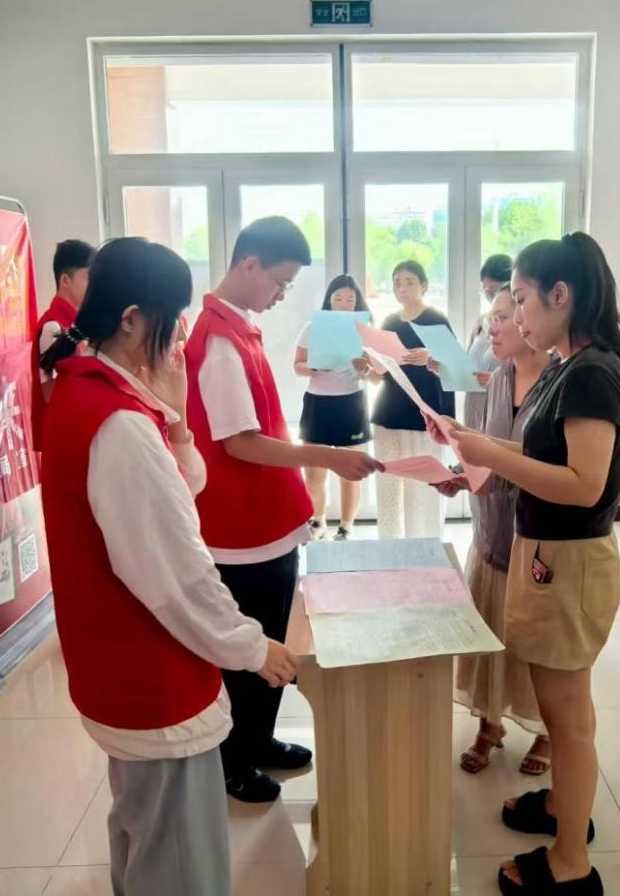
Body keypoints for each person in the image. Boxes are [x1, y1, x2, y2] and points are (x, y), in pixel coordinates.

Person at [39, 237, 298, 896]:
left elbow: (181, 488)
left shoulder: (87, 390)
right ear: (132, 318)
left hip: (115, 664)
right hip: (152, 676)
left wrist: (176, 417)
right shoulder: (117, 423)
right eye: (172, 319)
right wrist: (250, 645)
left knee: (143, 829)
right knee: (180, 857)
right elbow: (176, 572)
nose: (180, 335)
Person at [428, 231, 620, 894]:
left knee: (567, 719)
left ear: (560, 294)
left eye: (520, 299)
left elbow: (583, 484)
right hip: (550, 555)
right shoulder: (565, 365)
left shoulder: (592, 372)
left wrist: (488, 453)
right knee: (563, 711)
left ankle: (571, 860)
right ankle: (560, 805)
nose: (514, 314)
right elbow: (536, 454)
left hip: (570, 564)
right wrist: (473, 442)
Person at [185, 216, 381, 803]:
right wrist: (327, 455)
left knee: (273, 638)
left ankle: (260, 739)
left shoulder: (238, 326)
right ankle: (234, 762)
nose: (281, 295)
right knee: (249, 650)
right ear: (249, 264)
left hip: (265, 520)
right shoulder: (219, 341)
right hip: (240, 528)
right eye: (279, 282)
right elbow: (241, 443)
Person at [439, 283, 551, 777]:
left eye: (504, 316)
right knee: (489, 632)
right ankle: (490, 723)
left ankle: (547, 729)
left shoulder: (560, 382)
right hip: (491, 531)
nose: (492, 328)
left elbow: (552, 466)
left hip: (537, 539)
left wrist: (487, 462)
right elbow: (488, 451)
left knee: (537, 645)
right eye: (491, 319)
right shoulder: (500, 377)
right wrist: (460, 476)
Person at [369, 259, 455, 539]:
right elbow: (379, 373)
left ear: (424, 286)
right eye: (397, 283)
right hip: (389, 411)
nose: (402, 288)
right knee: (388, 481)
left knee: (423, 486)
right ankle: (390, 546)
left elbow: (456, 367)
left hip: (424, 414)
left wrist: (430, 356)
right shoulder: (389, 322)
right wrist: (367, 368)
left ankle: (425, 546)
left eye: (409, 282)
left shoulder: (436, 319)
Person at [294, 274, 377, 541]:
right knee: (314, 471)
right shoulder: (312, 328)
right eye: (338, 298)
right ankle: (317, 522)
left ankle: (346, 527)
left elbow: (374, 374)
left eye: (350, 299)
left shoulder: (364, 330)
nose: (343, 303)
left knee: (351, 472)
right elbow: (297, 366)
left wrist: (365, 369)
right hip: (317, 403)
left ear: (357, 303)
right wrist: (314, 366)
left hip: (351, 403)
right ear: (329, 300)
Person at [31, 238, 95, 451]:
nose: (94, 286)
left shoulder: (75, 327)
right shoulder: (53, 327)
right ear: (65, 280)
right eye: (88, 277)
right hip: (64, 441)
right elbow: (51, 394)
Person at [463, 254, 514, 429]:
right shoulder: (481, 322)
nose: (489, 297)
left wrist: (495, 381)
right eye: (484, 291)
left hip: (498, 408)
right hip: (474, 405)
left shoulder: (519, 327)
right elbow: (468, 366)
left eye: (493, 290)